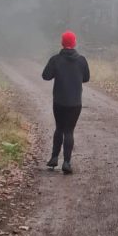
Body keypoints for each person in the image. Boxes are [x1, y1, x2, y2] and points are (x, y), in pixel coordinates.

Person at [42, 30, 90, 174]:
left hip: (59, 101)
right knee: (69, 131)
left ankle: (54, 158)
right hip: (75, 103)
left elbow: (46, 76)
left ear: (62, 43)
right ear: (74, 43)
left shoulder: (55, 59)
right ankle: (67, 163)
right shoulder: (82, 60)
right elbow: (86, 78)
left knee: (59, 128)